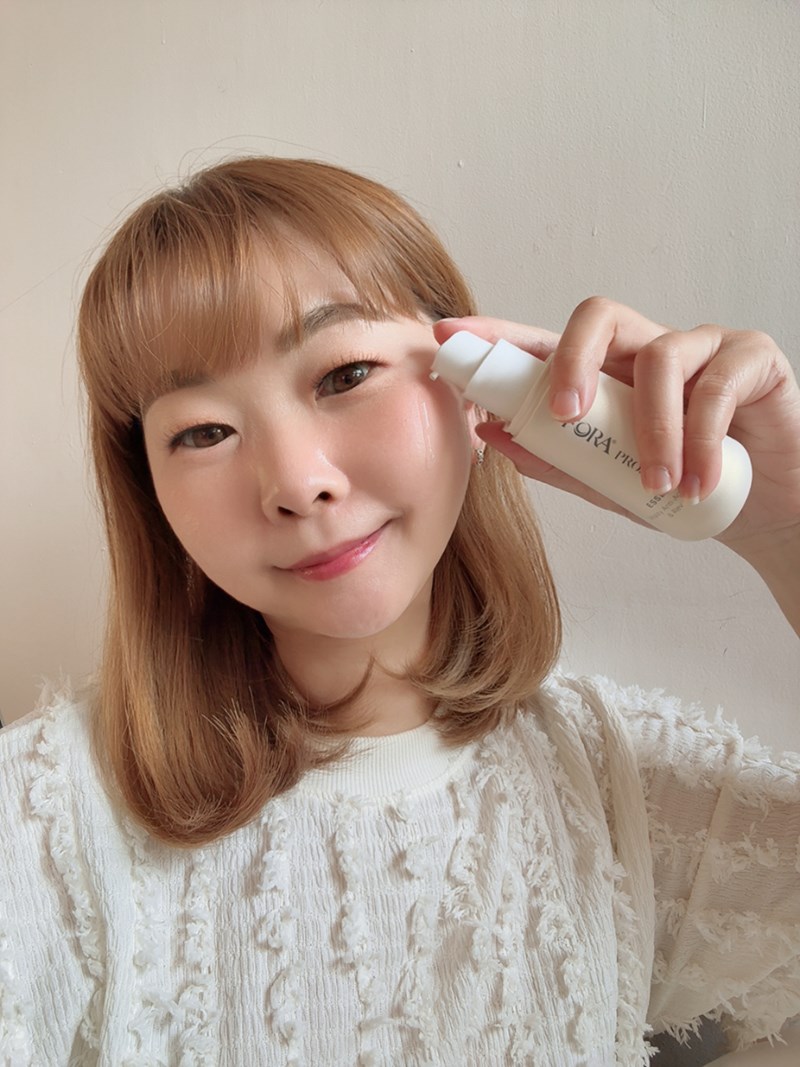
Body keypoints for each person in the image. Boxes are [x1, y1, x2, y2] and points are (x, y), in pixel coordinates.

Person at [1, 156, 798, 1067]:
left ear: (479, 389)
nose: (297, 482)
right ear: (151, 494)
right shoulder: (43, 818)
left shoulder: (617, 788)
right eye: (204, 431)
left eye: (344, 375)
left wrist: (785, 528)